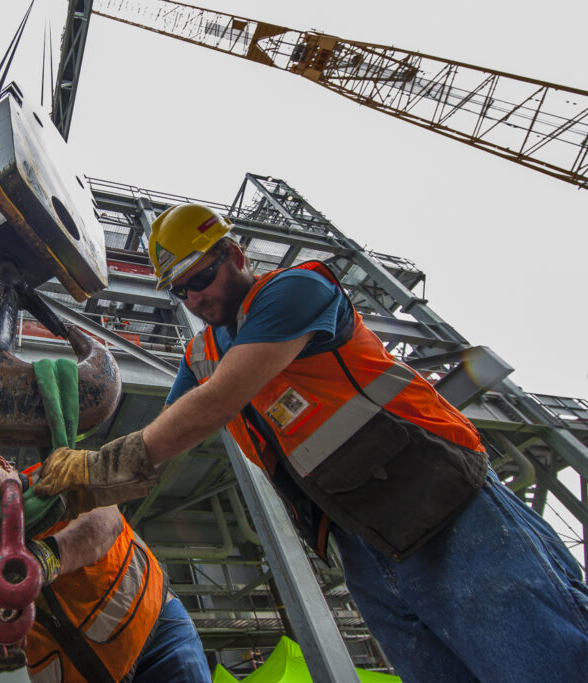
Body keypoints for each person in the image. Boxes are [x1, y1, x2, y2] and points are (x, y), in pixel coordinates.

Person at [35, 203, 588, 682]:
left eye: (199, 279)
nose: (193, 299)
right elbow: (158, 443)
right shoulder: (199, 353)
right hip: (362, 544)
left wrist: (100, 463)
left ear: (235, 256)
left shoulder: (297, 289)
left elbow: (217, 402)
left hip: (445, 507)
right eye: (179, 291)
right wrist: (55, 529)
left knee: (545, 663)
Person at [0, 447, 211, 682]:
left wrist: (46, 557)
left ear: (2, 463)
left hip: (155, 643)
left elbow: (106, 521)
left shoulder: (54, 476)